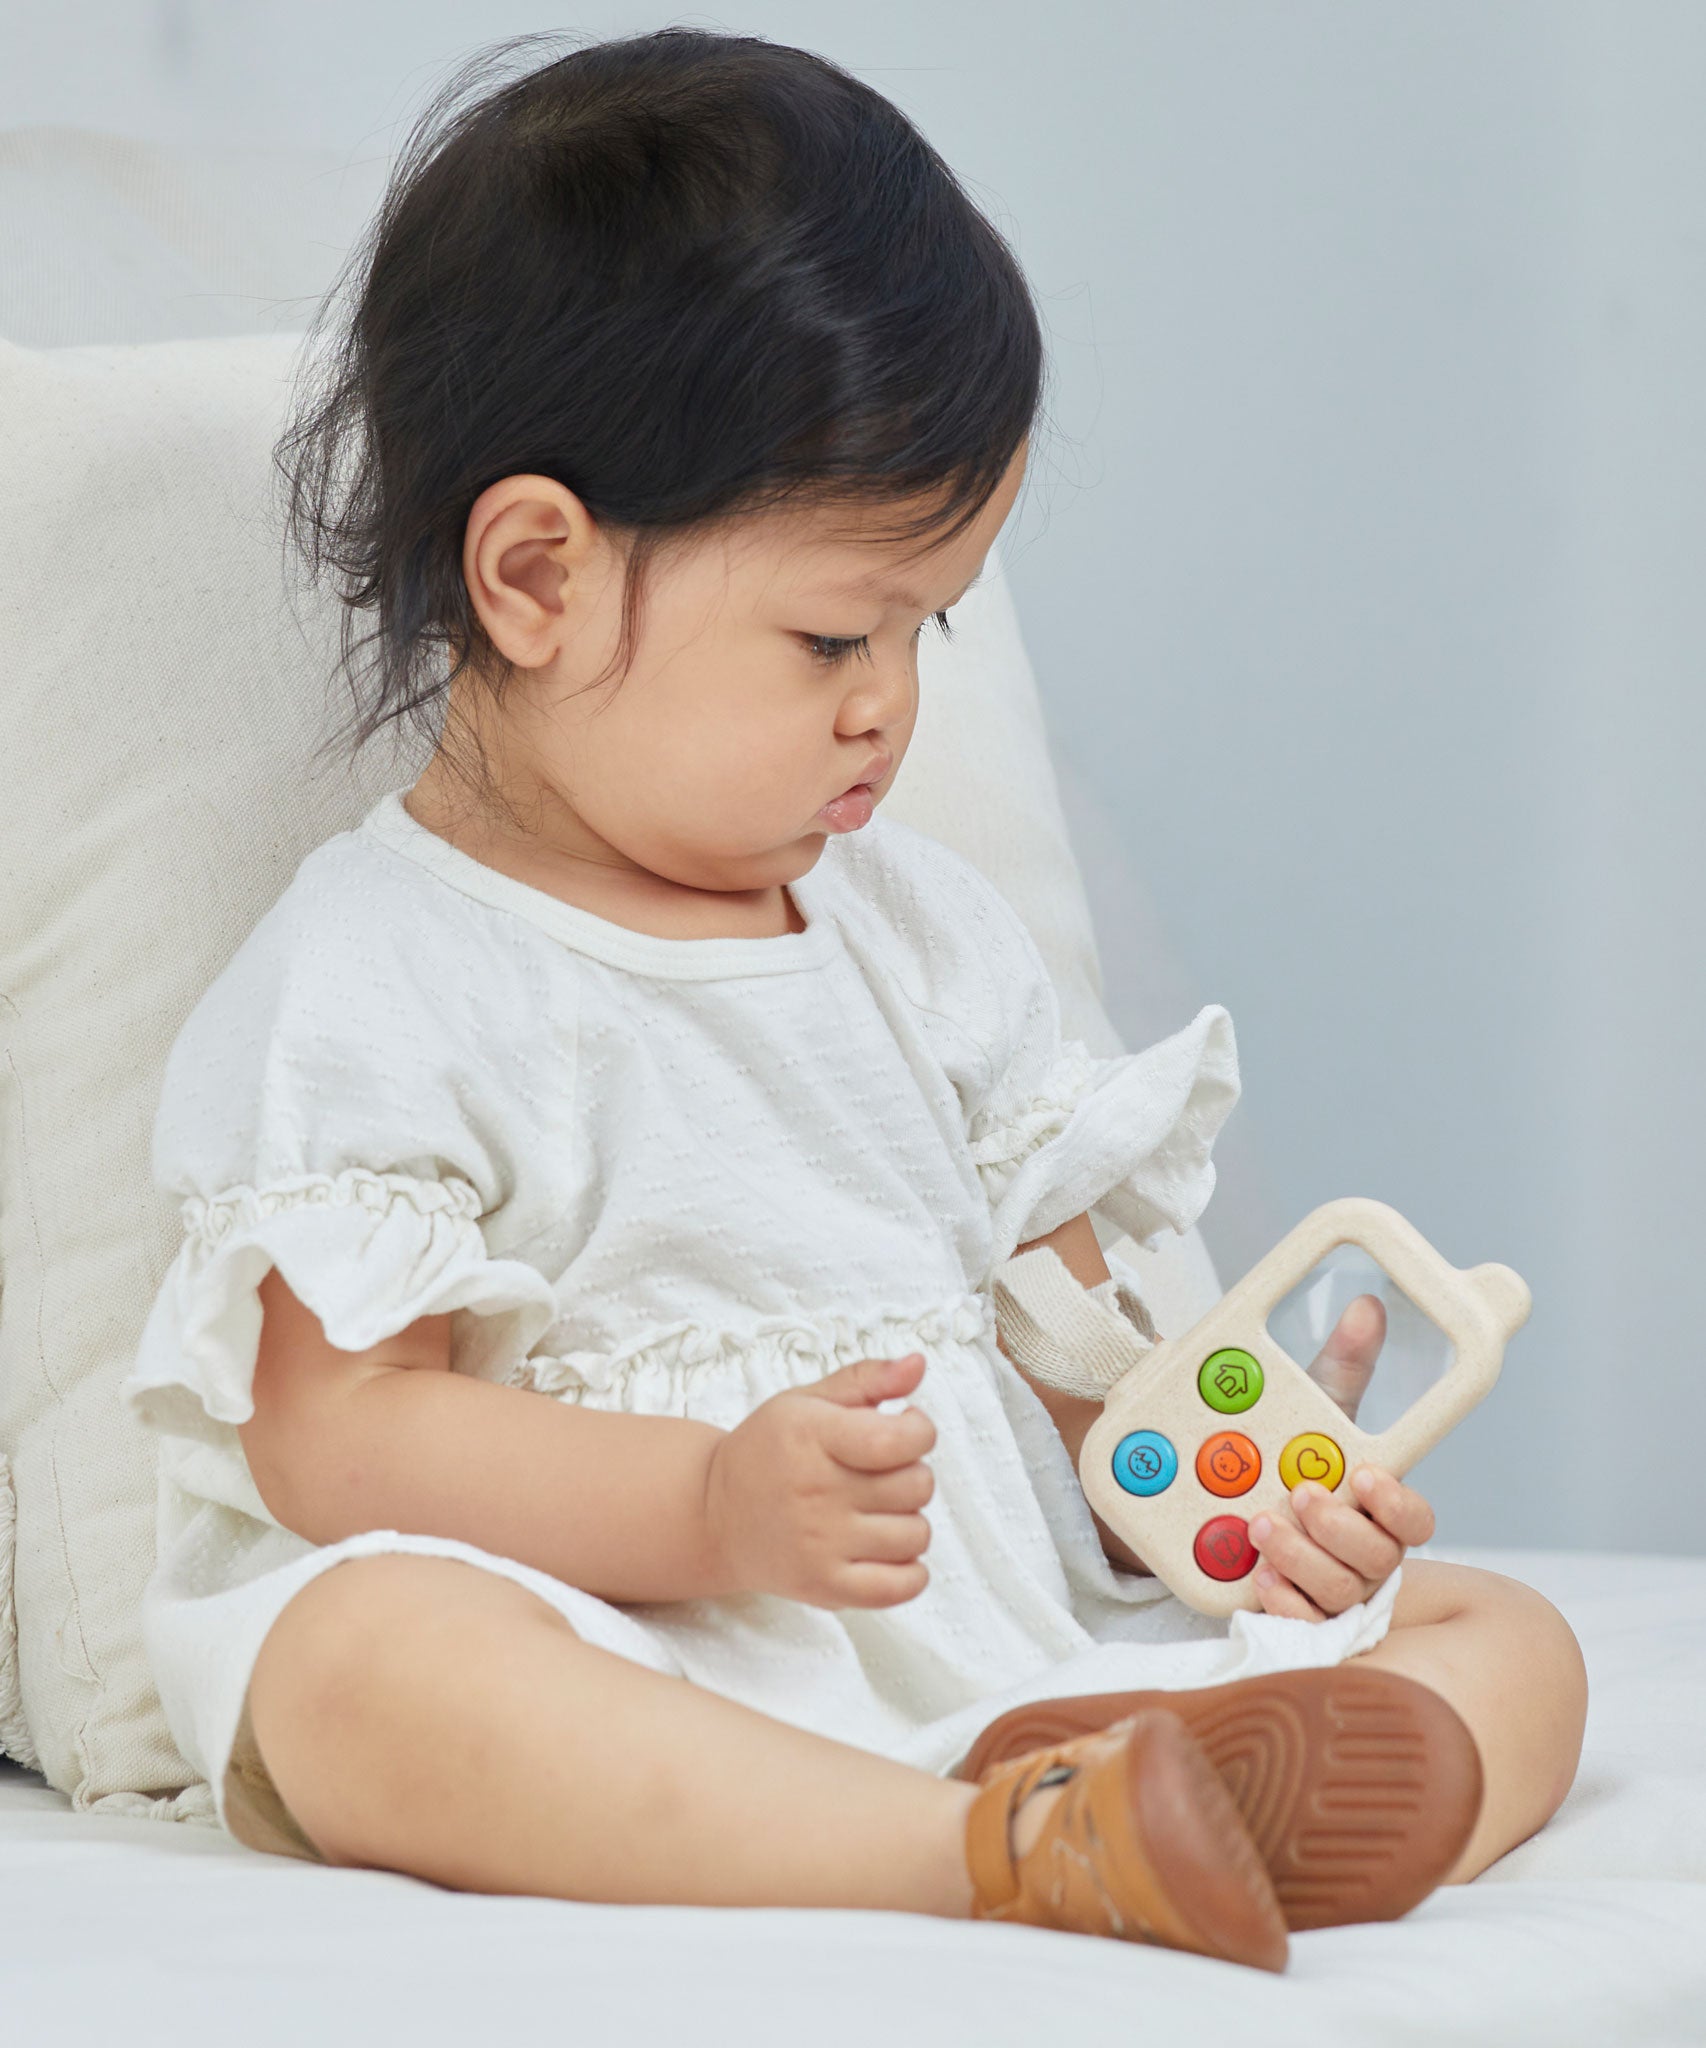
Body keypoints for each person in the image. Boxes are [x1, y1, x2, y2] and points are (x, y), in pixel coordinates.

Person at [121, 25, 1586, 1969]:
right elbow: (337, 1441)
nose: (890, 704)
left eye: (928, 625)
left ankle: (1157, 1801)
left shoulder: (923, 939)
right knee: (359, 1665)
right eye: (834, 630)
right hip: (626, 1654)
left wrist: (1205, 1458)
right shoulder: (386, 970)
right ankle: (977, 1849)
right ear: (537, 575)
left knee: (1516, 1640)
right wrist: (710, 1509)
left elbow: (1070, 1352)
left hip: (982, 1645)